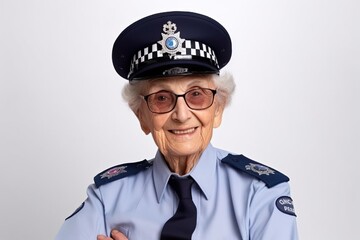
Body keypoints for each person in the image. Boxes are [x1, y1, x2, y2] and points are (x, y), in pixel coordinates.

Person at [55, 11, 298, 240]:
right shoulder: (107, 198)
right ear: (142, 116)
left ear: (218, 110)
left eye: (196, 94)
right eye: (162, 98)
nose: (181, 115)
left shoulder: (260, 194)